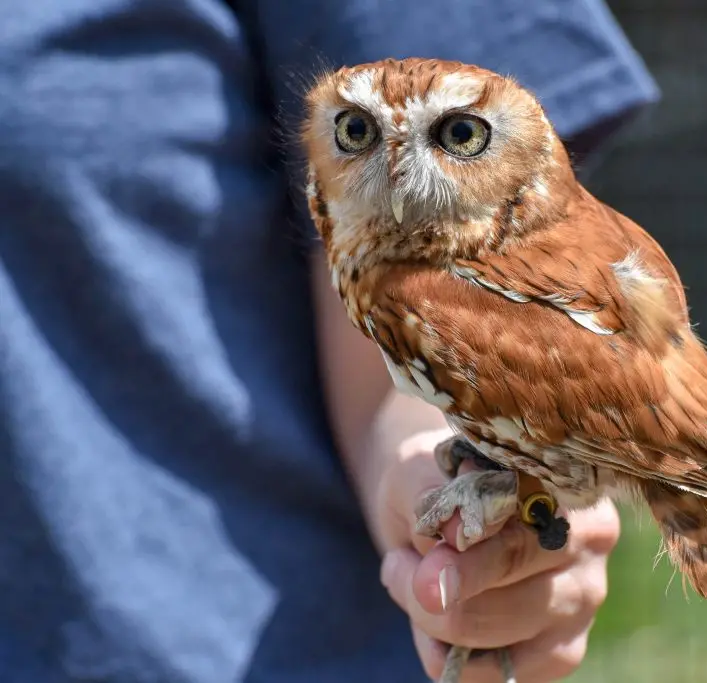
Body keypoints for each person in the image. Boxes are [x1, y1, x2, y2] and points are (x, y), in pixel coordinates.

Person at [0, 1, 659, 680]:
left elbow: (409, 365)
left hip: (238, 642)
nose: (401, 174)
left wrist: (442, 472)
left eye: (458, 135)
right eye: (354, 132)